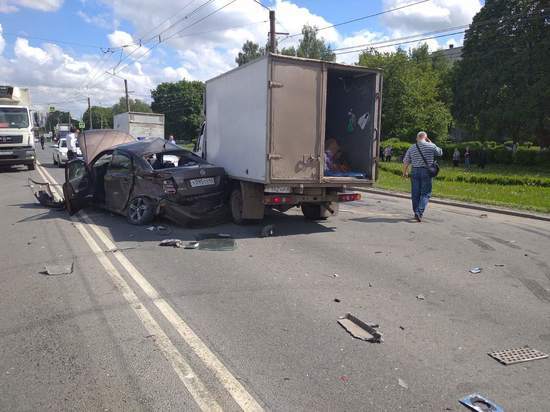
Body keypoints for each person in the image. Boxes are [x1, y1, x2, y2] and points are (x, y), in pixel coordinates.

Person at [402, 131, 443, 222]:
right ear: (426, 137)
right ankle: (419, 212)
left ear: (417, 138)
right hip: (426, 172)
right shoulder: (431, 146)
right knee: (425, 193)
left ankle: (416, 211)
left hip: (415, 171)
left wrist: (404, 173)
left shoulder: (412, 147)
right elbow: (440, 152)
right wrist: (431, 142)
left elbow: (406, 161)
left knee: (415, 193)